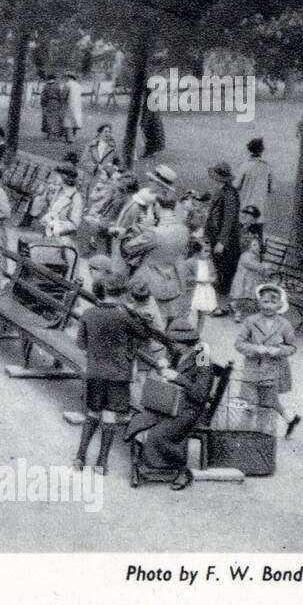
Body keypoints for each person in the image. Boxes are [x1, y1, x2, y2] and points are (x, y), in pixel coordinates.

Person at [124, 317, 213, 490]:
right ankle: (142, 464)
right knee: (140, 420)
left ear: (186, 342)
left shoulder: (203, 358)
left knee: (159, 435)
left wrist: (178, 378)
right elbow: (169, 368)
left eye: (175, 342)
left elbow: (201, 395)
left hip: (191, 409)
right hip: (173, 403)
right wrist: (163, 365)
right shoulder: (180, 353)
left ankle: (182, 470)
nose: (172, 345)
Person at [73, 273, 146, 475]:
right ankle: (101, 463)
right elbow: (144, 334)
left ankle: (80, 457)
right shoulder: (124, 316)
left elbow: (81, 344)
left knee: (92, 414)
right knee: (110, 416)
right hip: (118, 375)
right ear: (121, 294)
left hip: (95, 372)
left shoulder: (88, 313)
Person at [234, 282, 300, 439]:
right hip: (251, 370)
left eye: (273, 302)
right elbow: (239, 344)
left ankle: (260, 437)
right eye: (265, 301)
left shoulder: (284, 324)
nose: (268, 306)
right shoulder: (250, 321)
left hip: (272, 371)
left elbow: (292, 346)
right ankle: (242, 436)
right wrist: (255, 348)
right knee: (248, 405)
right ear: (258, 303)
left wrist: (279, 350)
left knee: (266, 406)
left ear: (280, 305)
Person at [124, 194, 190, 323]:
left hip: (147, 284)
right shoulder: (184, 230)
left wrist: (141, 229)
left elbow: (128, 248)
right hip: (171, 284)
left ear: (158, 206)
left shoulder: (154, 233)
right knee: (163, 322)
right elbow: (179, 259)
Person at [204, 160, 241, 315]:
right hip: (217, 237)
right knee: (220, 271)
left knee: (224, 273)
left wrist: (221, 242)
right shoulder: (222, 191)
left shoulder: (229, 194)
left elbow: (229, 220)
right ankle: (219, 304)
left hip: (226, 242)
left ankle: (223, 307)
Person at [234, 138, 273, 231]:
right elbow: (272, 188)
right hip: (260, 212)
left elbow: (236, 186)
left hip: (244, 211)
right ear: (261, 151)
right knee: (256, 240)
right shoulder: (267, 167)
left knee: (240, 238)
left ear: (249, 150)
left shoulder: (244, 166)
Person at [230, 233, 267, 323]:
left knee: (247, 297)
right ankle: (237, 313)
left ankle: (235, 306)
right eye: (254, 245)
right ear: (247, 246)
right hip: (243, 281)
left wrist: (262, 271)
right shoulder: (245, 255)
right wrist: (262, 266)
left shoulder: (256, 256)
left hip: (250, 281)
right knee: (241, 297)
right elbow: (249, 264)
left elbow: (256, 268)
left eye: (258, 245)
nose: (257, 247)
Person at [39, 74, 65, 139]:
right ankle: (56, 134)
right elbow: (60, 95)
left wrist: (43, 104)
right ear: (54, 79)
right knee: (56, 118)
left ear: (48, 79)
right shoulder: (57, 86)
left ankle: (50, 134)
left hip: (49, 103)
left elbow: (43, 96)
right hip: (56, 103)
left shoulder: (46, 86)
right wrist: (61, 104)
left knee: (49, 118)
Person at [62, 72, 84, 142]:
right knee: (75, 121)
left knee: (68, 121)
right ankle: (73, 136)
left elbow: (63, 95)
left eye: (66, 77)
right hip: (77, 105)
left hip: (69, 105)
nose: (65, 78)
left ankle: (69, 138)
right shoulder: (78, 85)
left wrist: (62, 101)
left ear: (69, 77)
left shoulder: (67, 85)